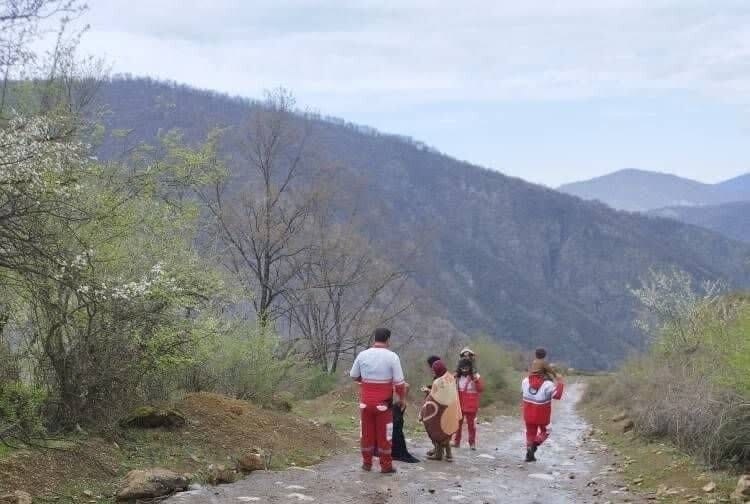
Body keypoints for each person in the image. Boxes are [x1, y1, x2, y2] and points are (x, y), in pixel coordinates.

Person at [350, 328, 406, 474]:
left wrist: (366, 381)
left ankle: (366, 463)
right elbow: (400, 384)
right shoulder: (392, 357)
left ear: (375, 339)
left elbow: (354, 375)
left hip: (365, 404)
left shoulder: (363, 355)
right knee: (385, 436)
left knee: (366, 434)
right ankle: (386, 466)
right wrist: (401, 399)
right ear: (388, 340)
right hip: (383, 405)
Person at [420, 359, 461, 462]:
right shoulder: (451, 377)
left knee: (435, 428)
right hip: (451, 409)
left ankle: (438, 454)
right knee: (446, 431)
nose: (432, 372)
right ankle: (449, 454)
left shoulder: (437, 382)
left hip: (439, 411)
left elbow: (433, 397)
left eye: (434, 370)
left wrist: (427, 392)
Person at [521, 371, 564, 462]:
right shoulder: (548, 384)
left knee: (530, 433)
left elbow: (523, 393)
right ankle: (534, 446)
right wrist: (560, 382)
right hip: (542, 415)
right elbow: (557, 396)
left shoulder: (525, 381)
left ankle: (529, 455)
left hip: (528, 413)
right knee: (546, 430)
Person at [452, 357, 484, 450]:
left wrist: (476, 380)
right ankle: (456, 442)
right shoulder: (457, 377)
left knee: (471, 426)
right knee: (458, 425)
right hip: (459, 405)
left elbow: (481, 389)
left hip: (471, 405)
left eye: (466, 368)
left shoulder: (475, 376)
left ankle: (472, 443)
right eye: (462, 368)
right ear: (460, 368)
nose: (464, 370)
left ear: (470, 367)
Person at [390, 382, 419, 463]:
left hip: (396, 406)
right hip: (395, 406)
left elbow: (406, 386)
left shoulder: (397, 383)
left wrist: (401, 398)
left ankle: (395, 450)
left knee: (396, 429)